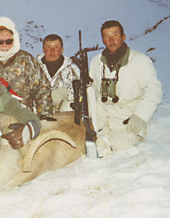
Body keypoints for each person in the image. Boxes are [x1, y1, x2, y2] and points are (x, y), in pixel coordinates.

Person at [89, 20, 162, 154]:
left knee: (118, 151)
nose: (111, 40)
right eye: (106, 36)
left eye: (115, 34)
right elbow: (91, 92)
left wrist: (140, 116)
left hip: (128, 121)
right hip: (102, 120)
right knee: (92, 148)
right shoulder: (95, 62)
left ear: (123, 37)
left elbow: (154, 91)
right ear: (102, 40)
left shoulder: (140, 60)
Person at [36, 34, 80, 112]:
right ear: (43, 49)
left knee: (69, 108)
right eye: (49, 47)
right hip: (38, 109)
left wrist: (62, 94)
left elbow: (79, 95)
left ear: (62, 50)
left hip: (62, 112)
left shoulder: (72, 68)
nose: (52, 51)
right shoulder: (33, 67)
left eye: (56, 47)